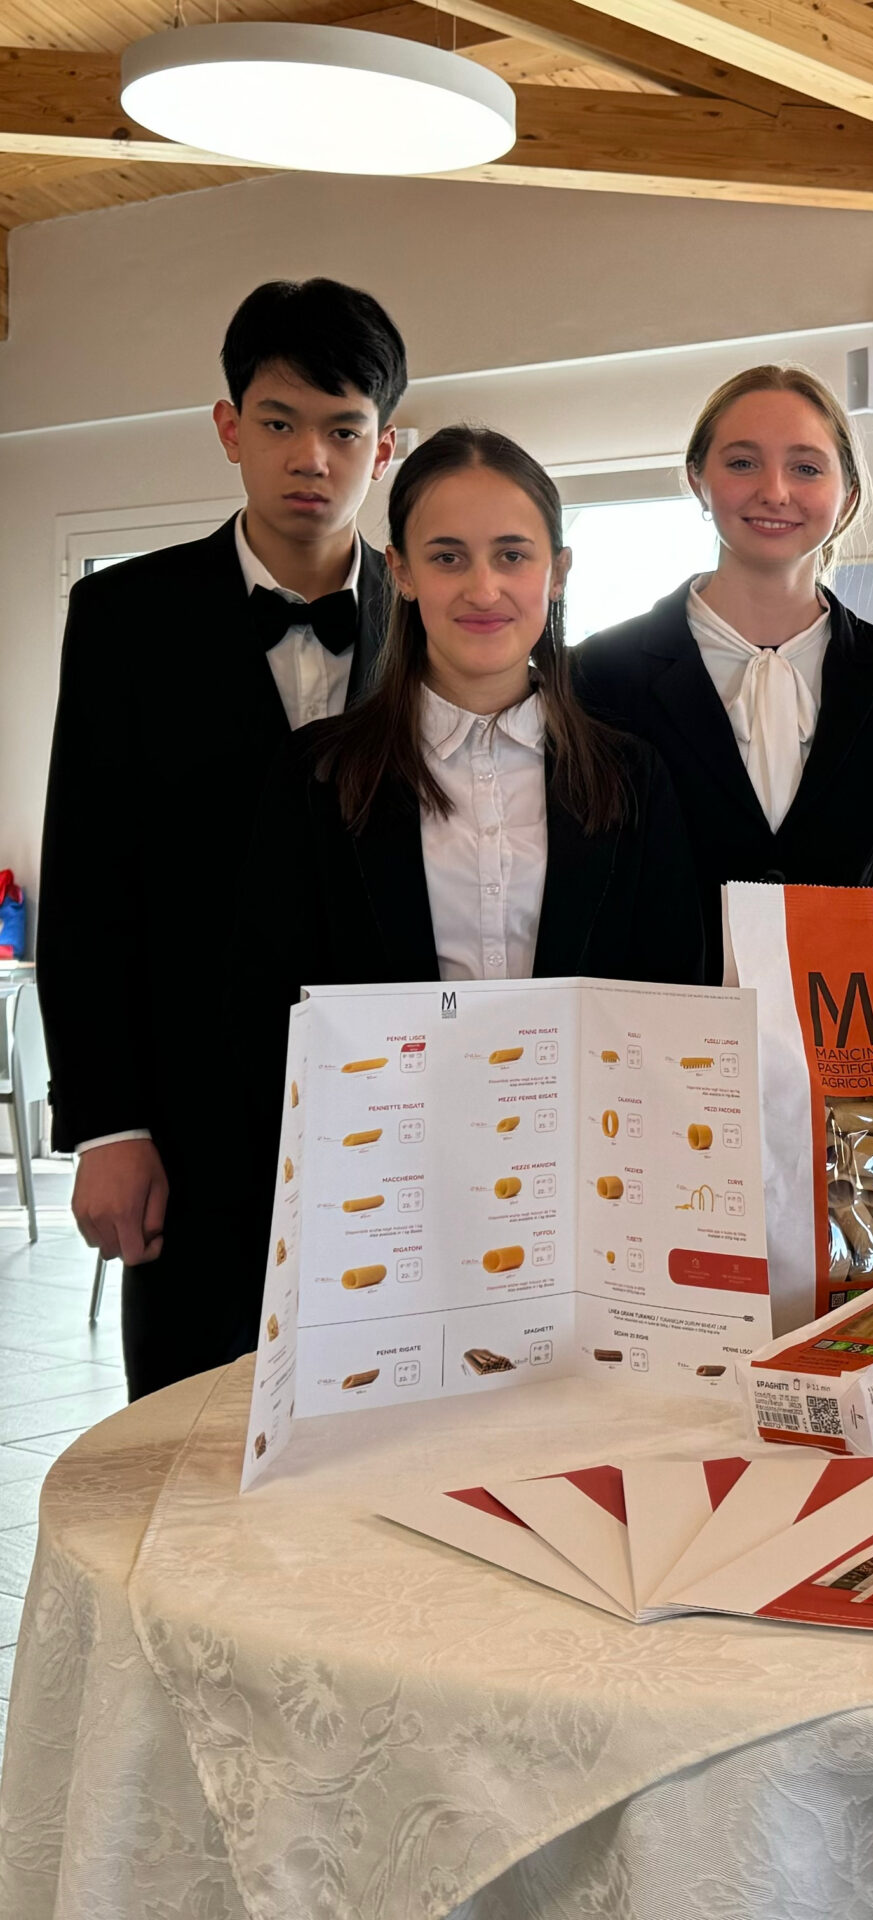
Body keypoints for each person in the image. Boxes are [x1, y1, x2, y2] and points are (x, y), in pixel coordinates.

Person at [41, 278, 406, 1398]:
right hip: (190, 1117)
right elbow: (88, 877)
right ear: (228, 429)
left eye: (344, 430)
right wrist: (107, 1126)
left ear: (384, 448)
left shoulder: (441, 620)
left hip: (392, 1106)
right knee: (189, 1441)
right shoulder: (124, 619)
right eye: (281, 422)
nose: (312, 458)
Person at [259, 425, 701, 1006]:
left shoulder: (633, 777)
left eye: (512, 555)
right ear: (402, 571)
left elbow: (673, 995)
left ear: (558, 573)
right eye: (448, 557)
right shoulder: (316, 773)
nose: (484, 589)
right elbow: (267, 1005)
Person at [573, 365, 873, 969]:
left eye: (806, 467)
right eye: (742, 463)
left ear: (846, 493)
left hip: (845, 1038)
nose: (775, 491)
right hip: (655, 1039)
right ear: (697, 479)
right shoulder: (599, 673)